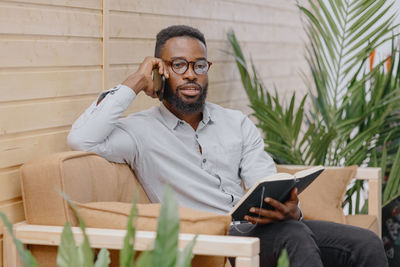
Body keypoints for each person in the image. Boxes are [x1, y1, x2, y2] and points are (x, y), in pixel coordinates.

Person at [68, 25, 388, 267]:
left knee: (366, 243)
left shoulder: (235, 122)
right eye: (178, 65)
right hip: (213, 238)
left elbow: (265, 179)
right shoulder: (138, 132)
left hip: (259, 227)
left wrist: (290, 208)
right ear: (158, 70)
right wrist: (135, 82)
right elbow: (82, 137)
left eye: (199, 65)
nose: (191, 75)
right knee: (294, 235)